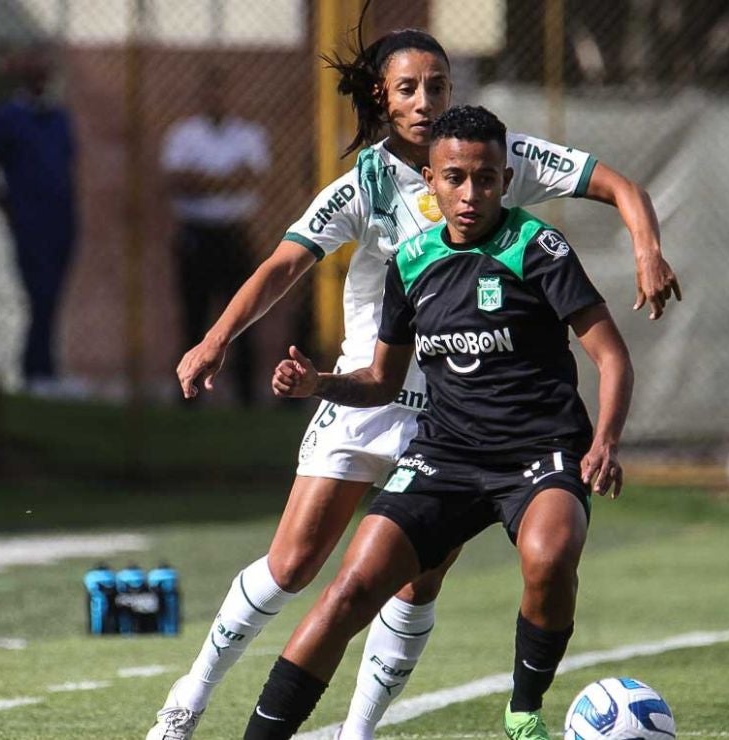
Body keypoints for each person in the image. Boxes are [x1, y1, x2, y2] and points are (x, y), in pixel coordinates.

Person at [146, 22, 678, 740]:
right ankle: (189, 698)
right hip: (368, 390)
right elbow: (283, 263)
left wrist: (647, 249)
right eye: (409, 88)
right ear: (383, 98)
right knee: (297, 563)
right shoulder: (366, 183)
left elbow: (617, 184)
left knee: (415, 581)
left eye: (438, 85)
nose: (426, 101)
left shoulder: (492, 151)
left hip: (453, 413)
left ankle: (359, 730)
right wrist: (215, 340)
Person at [248, 104, 633, 740]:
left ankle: (523, 709)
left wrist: (606, 442)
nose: (470, 193)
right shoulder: (410, 262)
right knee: (349, 591)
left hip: (540, 454)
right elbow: (380, 382)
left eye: (485, 178)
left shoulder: (538, 249)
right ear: (431, 180)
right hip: (444, 458)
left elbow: (611, 355)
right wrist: (319, 384)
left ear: (505, 180)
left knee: (550, 553)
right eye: (454, 178)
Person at [161, 68, 272, 406]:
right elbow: (178, 179)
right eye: (210, 93)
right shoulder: (184, 134)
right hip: (196, 234)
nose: (217, 100)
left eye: (222, 92)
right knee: (194, 314)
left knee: (246, 313)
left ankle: (246, 397)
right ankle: (189, 394)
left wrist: (205, 181)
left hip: (235, 233)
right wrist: (226, 180)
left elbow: (253, 177)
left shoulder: (249, 134)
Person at [0, 47, 77, 392]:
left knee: (52, 296)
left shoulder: (59, 117)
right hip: (29, 221)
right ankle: (37, 370)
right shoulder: (8, 117)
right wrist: (6, 207)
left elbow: (67, 165)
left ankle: (43, 369)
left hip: (62, 221)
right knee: (39, 293)